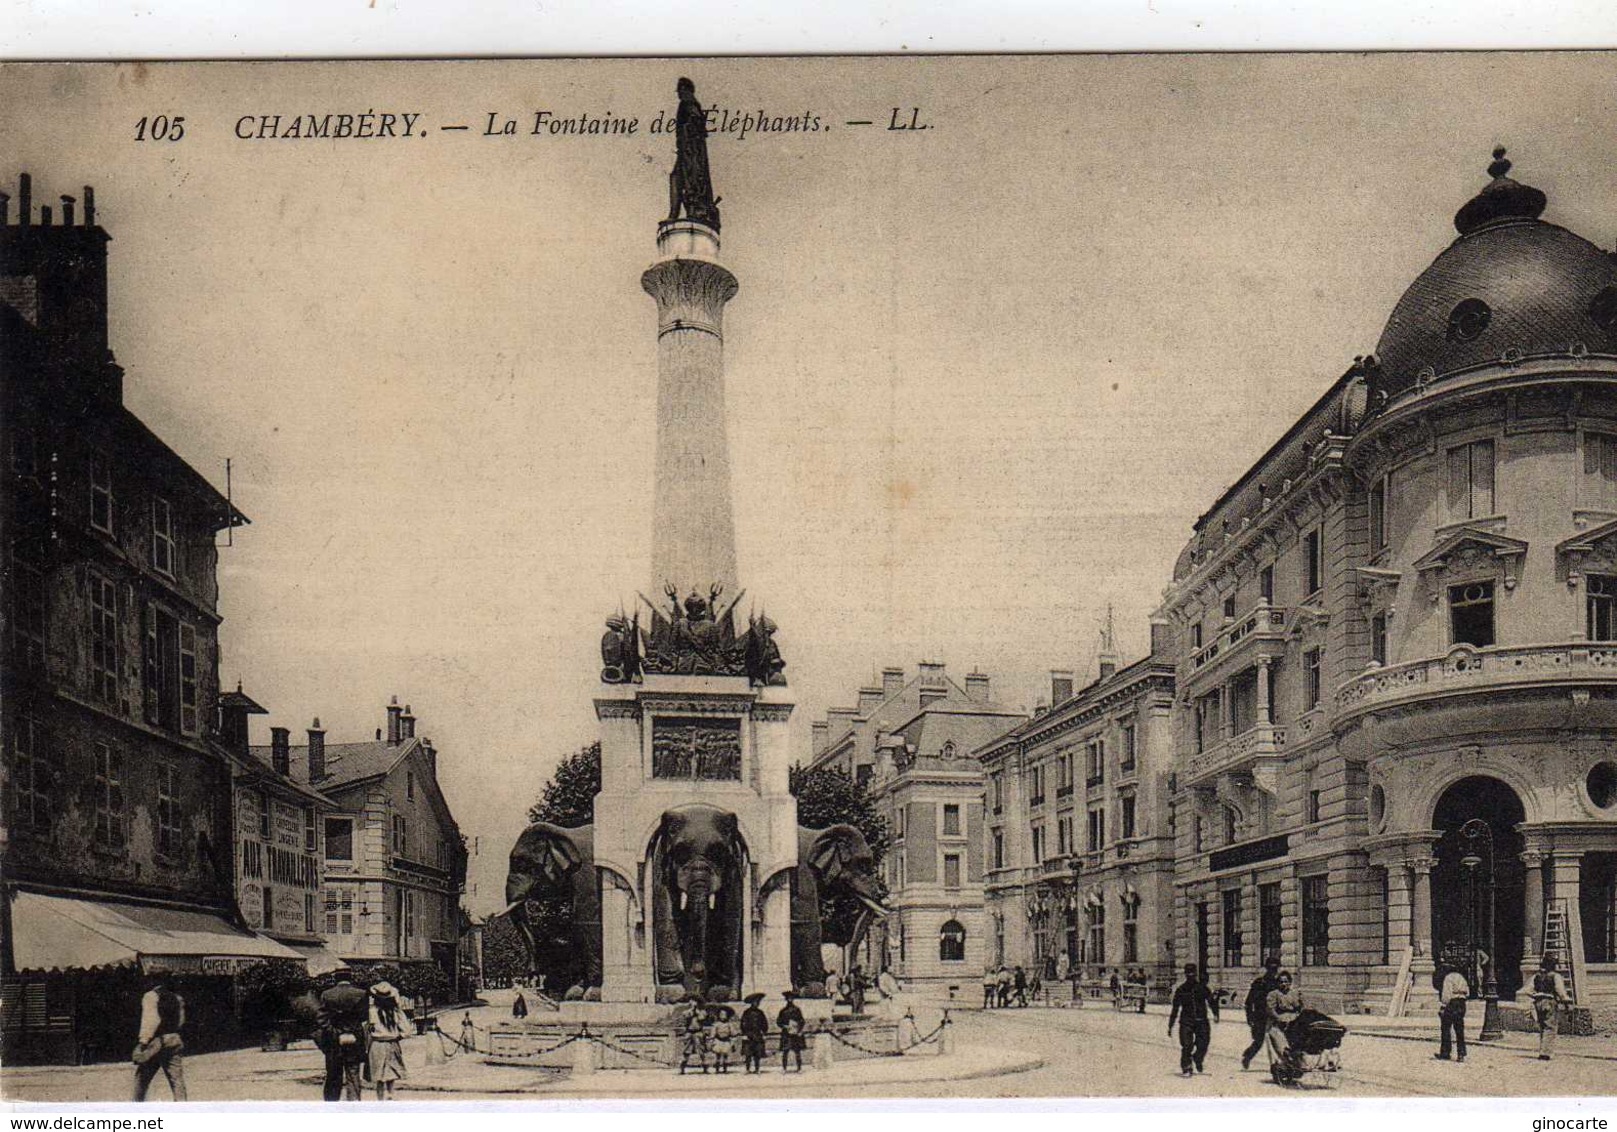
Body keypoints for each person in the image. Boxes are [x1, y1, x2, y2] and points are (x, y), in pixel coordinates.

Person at [316, 968, 370, 1102]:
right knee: (353, 1074)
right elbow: (364, 1017)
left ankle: (332, 1106)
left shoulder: (326, 994)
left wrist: (335, 1033)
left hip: (334, 1043)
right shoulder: (361, 994)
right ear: (350, 977)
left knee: (333, 1075)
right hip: (354, 1040)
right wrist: (351, 1032)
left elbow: (321, 1020)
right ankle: (354, 1105)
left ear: (336, 978)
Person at [131, 974, 187, 1102]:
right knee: (176, 1080)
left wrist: (143, 1042)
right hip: (174, 1038)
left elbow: (151, 1021)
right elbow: (181, 1021)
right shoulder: (177, 998)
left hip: (158, 1041)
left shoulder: (150, 996)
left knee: (142, 1079)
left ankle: (135, 1107)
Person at [1168, 963, 1219, 1077]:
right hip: (1187, 1021)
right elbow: (1175, 1008)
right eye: (1188, 973)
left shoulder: (1202, 988)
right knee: (1187, 1045)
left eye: (1192, 973)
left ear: (1195, 974)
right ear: (1185, 974)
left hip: (1201, 1020)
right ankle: (1186, 1067)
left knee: (1203, 1044)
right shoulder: (1181, 990)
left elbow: (1211, 1002)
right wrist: (1170, 1025)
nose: (1191, 976)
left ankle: (1197, 1058)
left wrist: (1216, 1014)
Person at [367, 981, 409, 1101]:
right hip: (392, 1043)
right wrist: (398, 1036)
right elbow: (406, 1030)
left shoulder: (372, 1011)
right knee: (391, 1071)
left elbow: (368, 1028)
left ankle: (380, 1099)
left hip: (377, 1044)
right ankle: (390, 1094)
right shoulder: (395, 1011)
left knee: (379, 1074)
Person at [1241, 956, 1283, 1070]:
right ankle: (1247, 1057)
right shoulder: (1259, 983)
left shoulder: (1279, 983)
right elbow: (1249, 1002)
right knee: (1258, 1041)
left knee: (1279, 1040)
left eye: (1275, 969)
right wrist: (1249, 1017)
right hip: (1260, 1016)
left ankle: (1281, 1063)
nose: (1273, 971)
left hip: (1275, 1016)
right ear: (1266, 968)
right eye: (1271, 969)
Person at [1265, 970, 1305, 1083]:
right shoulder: (1273, 994)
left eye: (1286, 982)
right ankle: (1283, 1065)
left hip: (1293, 1022)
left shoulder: (1294, 994)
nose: (1284, 984)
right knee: (1281, 1046)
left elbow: (1300, 1007)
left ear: (1290, 983)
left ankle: (1299, 1063)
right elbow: (1270, 1010)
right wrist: (1279, 1019)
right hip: (1277, 1024)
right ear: (1278, 983)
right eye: (1281, 982)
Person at [1530, 954, 1572, 1061]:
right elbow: (1560, 991)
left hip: (1538, 1002)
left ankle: (1542, 1050)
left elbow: (1529, 990)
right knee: (1550, 1027)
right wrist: (1567, 1002)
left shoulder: (1537, 976)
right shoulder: (1555, 976)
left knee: (1543, 1027)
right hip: (1549, 1001)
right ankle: (1546, 1053)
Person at [1434, 962, 1470, 1063]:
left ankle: (1445, 1052)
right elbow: (1468, 992)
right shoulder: (1462, 978)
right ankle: (1461, 1053)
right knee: (1459, 1029)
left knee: (1445, 1028)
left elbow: (1447, 995)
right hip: (1462, 1004)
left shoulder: (1448, 978)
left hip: (1452, 1004)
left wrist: (1443, 1007)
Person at [777, 990, 806, 1072]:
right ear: (786, 999)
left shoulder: (797, 1010)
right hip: (786, 1034)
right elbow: (778, 1022)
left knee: (797, 1051)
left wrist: (799, 1029)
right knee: (785, 1051)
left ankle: (799, 1068)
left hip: (795, 1033)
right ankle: (784, 1068)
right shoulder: (783, 1011)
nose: (790, 999)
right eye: (788, 998)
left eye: (791, 998)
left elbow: (802, 1021)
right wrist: (784, 1026)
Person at [740, 992, 769, 1074]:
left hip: (758, 1035)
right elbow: (743, 1023)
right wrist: (744, 1034)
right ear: (752, 1003)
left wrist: (764, 1033)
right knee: (748, 1054)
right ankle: (747, 1069)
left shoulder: (760, 1013)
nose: (757, 1004)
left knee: (757, 1053)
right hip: (749, 1035)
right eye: (755, 1002)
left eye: (758, 1002)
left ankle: (757, 1069)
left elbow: (764, 1023)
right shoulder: (746, 1012)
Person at [678, 996, 708, 1075]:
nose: (692, 1003)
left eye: (694, 1001)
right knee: (686, 1051)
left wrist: (697, 1011)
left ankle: (705, 1067)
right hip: (689, 1032)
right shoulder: (686, 1011)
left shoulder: (702, 1012)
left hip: (698, 1032)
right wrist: (692, 1010)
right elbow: (686, 1017)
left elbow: (701, 1018)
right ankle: (682, 1068)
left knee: (701, 1050)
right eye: (691, 1001)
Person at [710, 1005, 736, 1074]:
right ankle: (717, 1069)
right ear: (719, 1015)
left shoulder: (729, 1024)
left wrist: (733, 1042)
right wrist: (712, 1041)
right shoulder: (716, 1024)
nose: (723, 1016)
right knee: (718, 1055)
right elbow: (713, 1033)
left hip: (726, 1040)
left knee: (725, 1054)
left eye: (725, 1015)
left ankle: (725, 1069)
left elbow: (733, 1033)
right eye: (721, 1014)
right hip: (718, 1040)